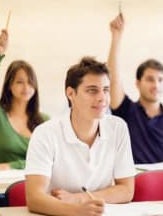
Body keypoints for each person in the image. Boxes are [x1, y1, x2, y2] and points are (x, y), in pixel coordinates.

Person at [25, 57, 135, 216]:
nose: (102, 98)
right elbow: (35, 198)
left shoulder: (118, 127)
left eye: (105, 90)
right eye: (92, 90)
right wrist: (77, 211)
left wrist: (78, 199)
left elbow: (126, 190)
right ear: (70, 93)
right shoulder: (45, 133)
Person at [0, 29, 47, 214]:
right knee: (7, 203)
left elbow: (49, 160)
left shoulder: (44, 122)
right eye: (20, 82)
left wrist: (11, 165)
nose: (26, 87)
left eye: (30, 82)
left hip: (30, 186)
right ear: (9, 85)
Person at [107, 14, 163, 164]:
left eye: (160, 80)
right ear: (138, 83)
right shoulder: (126, 111)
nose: (156, 85)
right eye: (150, 79)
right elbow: (113, 80)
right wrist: (116, 37)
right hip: (134, 183)